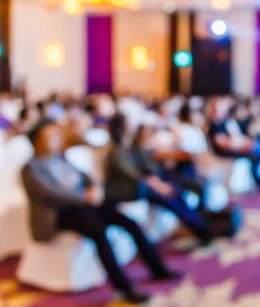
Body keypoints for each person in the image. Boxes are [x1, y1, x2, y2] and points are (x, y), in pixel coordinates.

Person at [21, 119, 178, 304]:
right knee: (99, 231)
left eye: (56, 134)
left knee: (128, 221)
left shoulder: (60, 157)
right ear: (37, 140)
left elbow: (85, 176)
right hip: (59, 214)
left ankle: (158, 268)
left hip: (83, 206)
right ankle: (125, 288)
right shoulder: (31, 168)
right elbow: (50, 195)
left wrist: (93, 188)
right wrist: (83, 196)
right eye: (51, 135)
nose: (56, 139)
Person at [104, 114, 214, 244]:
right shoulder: (116, 151)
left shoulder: (133, 146)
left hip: (149, 183)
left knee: (177, 191)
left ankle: (201, 225)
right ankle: (203, 231)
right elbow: (132, 175)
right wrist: (155, 183)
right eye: (128, 124)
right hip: (135, 189)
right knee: (170, 198)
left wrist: (155, 177)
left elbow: (149, 166)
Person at [207, 98, 260, 194]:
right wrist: (238, 144)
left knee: (259, 149)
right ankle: (258, 181)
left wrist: (243, 143)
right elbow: (220, 143)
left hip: (232, 147)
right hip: (222, 152)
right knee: (254, 155)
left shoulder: (225, 121)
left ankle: (257, 180)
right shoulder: (213, 124)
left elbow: (235, 136)